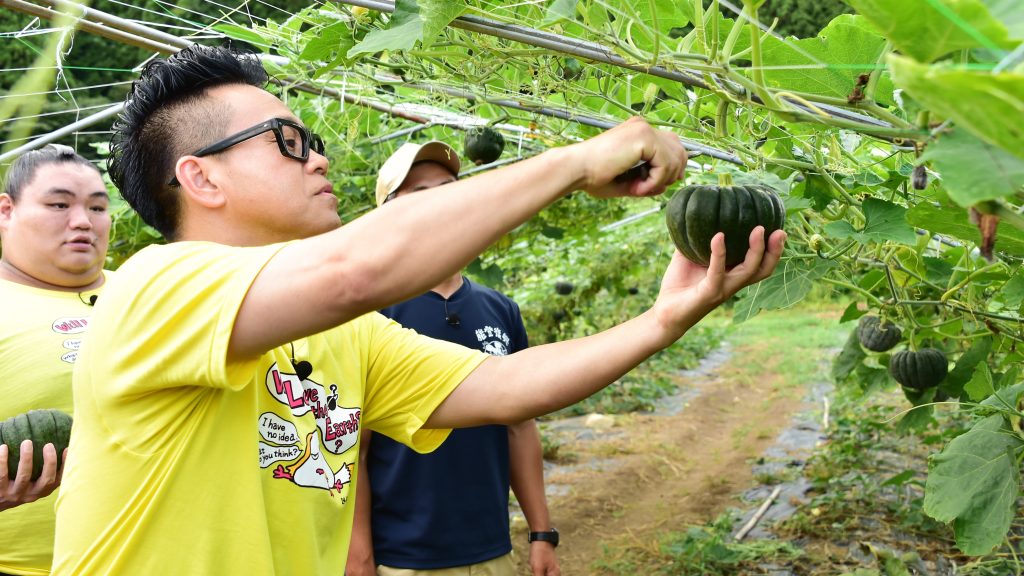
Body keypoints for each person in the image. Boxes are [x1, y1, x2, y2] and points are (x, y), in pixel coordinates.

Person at [51, 45, 785, 576]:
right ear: (200, 177)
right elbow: (356, 268)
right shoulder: (155, 288)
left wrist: (665, 318)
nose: (318, 158)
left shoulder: (349, 336)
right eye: (288, 142)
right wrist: (574, 161)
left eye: (315, 142)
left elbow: (509, 386)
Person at [346, 142, 559, 576]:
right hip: (402, 557)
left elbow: (519, 426)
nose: (442, 200)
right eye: (421, 192)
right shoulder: (369, 315)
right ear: (388, 214)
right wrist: (359, 553)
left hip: (490, 547)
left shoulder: (500, 308)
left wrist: (541, 532)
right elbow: (353, 448)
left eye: (449, 188)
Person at [0, 144, 111, 575]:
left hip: (150, 558)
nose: (83, 221)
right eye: (59, 204)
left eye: (97, 207)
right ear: (6, 210)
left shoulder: (146, 293)